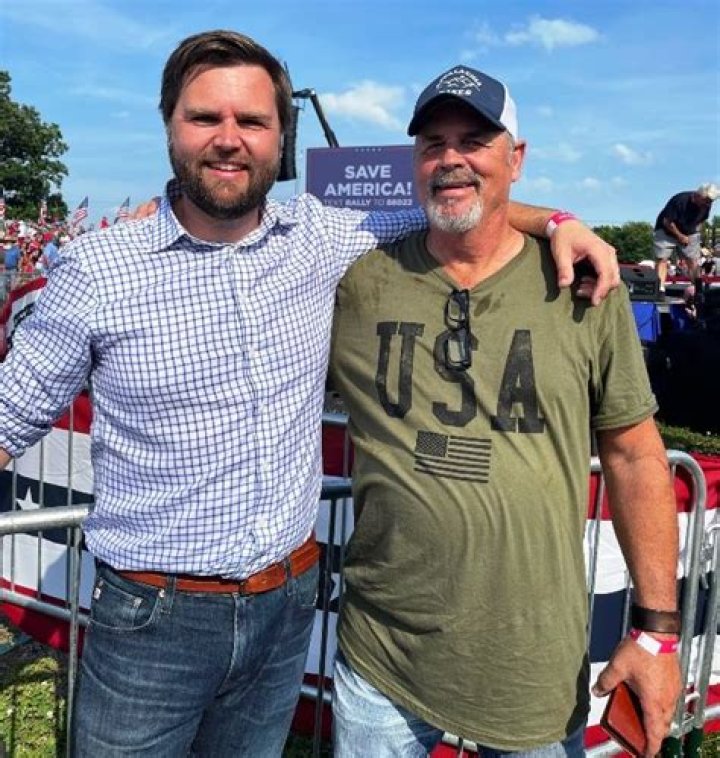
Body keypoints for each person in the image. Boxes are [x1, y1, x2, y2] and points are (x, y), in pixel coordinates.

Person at [0, 32, 617, 756]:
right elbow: (10, 415)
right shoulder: (99, 268)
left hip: (284, 608)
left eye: (252, 121)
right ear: (170, 124)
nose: (229, 139)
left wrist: (559, 221)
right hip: (151, 619)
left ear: (279, 137)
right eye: (205, 118)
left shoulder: (322, 236)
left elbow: (460, 201)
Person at [329, 64, 682, 757]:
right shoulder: (361, 280)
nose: (450, 158)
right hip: (381, 658)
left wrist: (656, 632)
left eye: (474, 141)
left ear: (516, 159)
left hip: (530, 665)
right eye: (433, 143)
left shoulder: (582, 288)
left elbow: (636, 455)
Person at [653, 183, 720, 293]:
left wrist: (696, 234)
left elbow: (701, 220)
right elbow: (667, 222)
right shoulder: (679, 200)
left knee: (693, 261)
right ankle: (660, 289)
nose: (708, 204)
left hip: (689, 231)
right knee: (662, 259)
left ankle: (698, 290)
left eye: (710, 202)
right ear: (699, 196)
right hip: (666, 230)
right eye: (706, 201)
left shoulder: (707, 205)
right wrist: (680, 236)